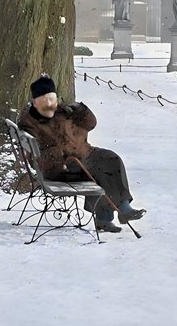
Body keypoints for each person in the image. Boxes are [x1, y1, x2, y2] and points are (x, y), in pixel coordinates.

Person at [19, 76, 145, 234]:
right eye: (44, 100)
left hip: (84, 154)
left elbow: (91, 123)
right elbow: (38, 149)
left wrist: (79, 109)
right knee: (98, 171)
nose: (49, 103)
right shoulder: (31, 122)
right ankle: (114, 214)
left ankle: (116, 211)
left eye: (51, 98)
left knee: (111, 159)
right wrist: (57, 156)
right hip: (62, 165)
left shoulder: (63, 112)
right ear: (36, 102)